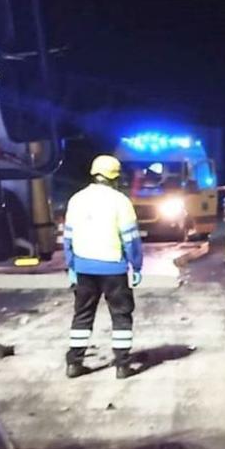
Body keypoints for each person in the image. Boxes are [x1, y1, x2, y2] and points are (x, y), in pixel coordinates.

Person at [64, 155, 144, 380]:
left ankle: (74, 363)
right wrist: (136, 266)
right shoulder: (120, 201)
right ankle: (122, 365)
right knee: (121, 315)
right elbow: (130, 239)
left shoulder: (76, 200)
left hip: (83, 268)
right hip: (113, 269)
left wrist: (71, 264)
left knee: (82, 315)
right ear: (115, 177)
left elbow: (68, 237)